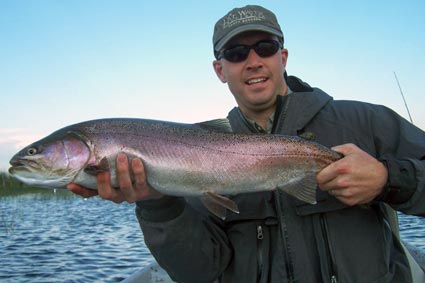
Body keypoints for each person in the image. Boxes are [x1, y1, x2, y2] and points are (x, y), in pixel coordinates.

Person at [68, 5, 425, 283]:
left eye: (265, 47)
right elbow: (200, 271)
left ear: (282, 58)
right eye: (236, 52)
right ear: (220, 69)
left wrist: (387, 178)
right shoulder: (189, 158)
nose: (253, 61)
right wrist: (157, 205)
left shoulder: (365, 121)